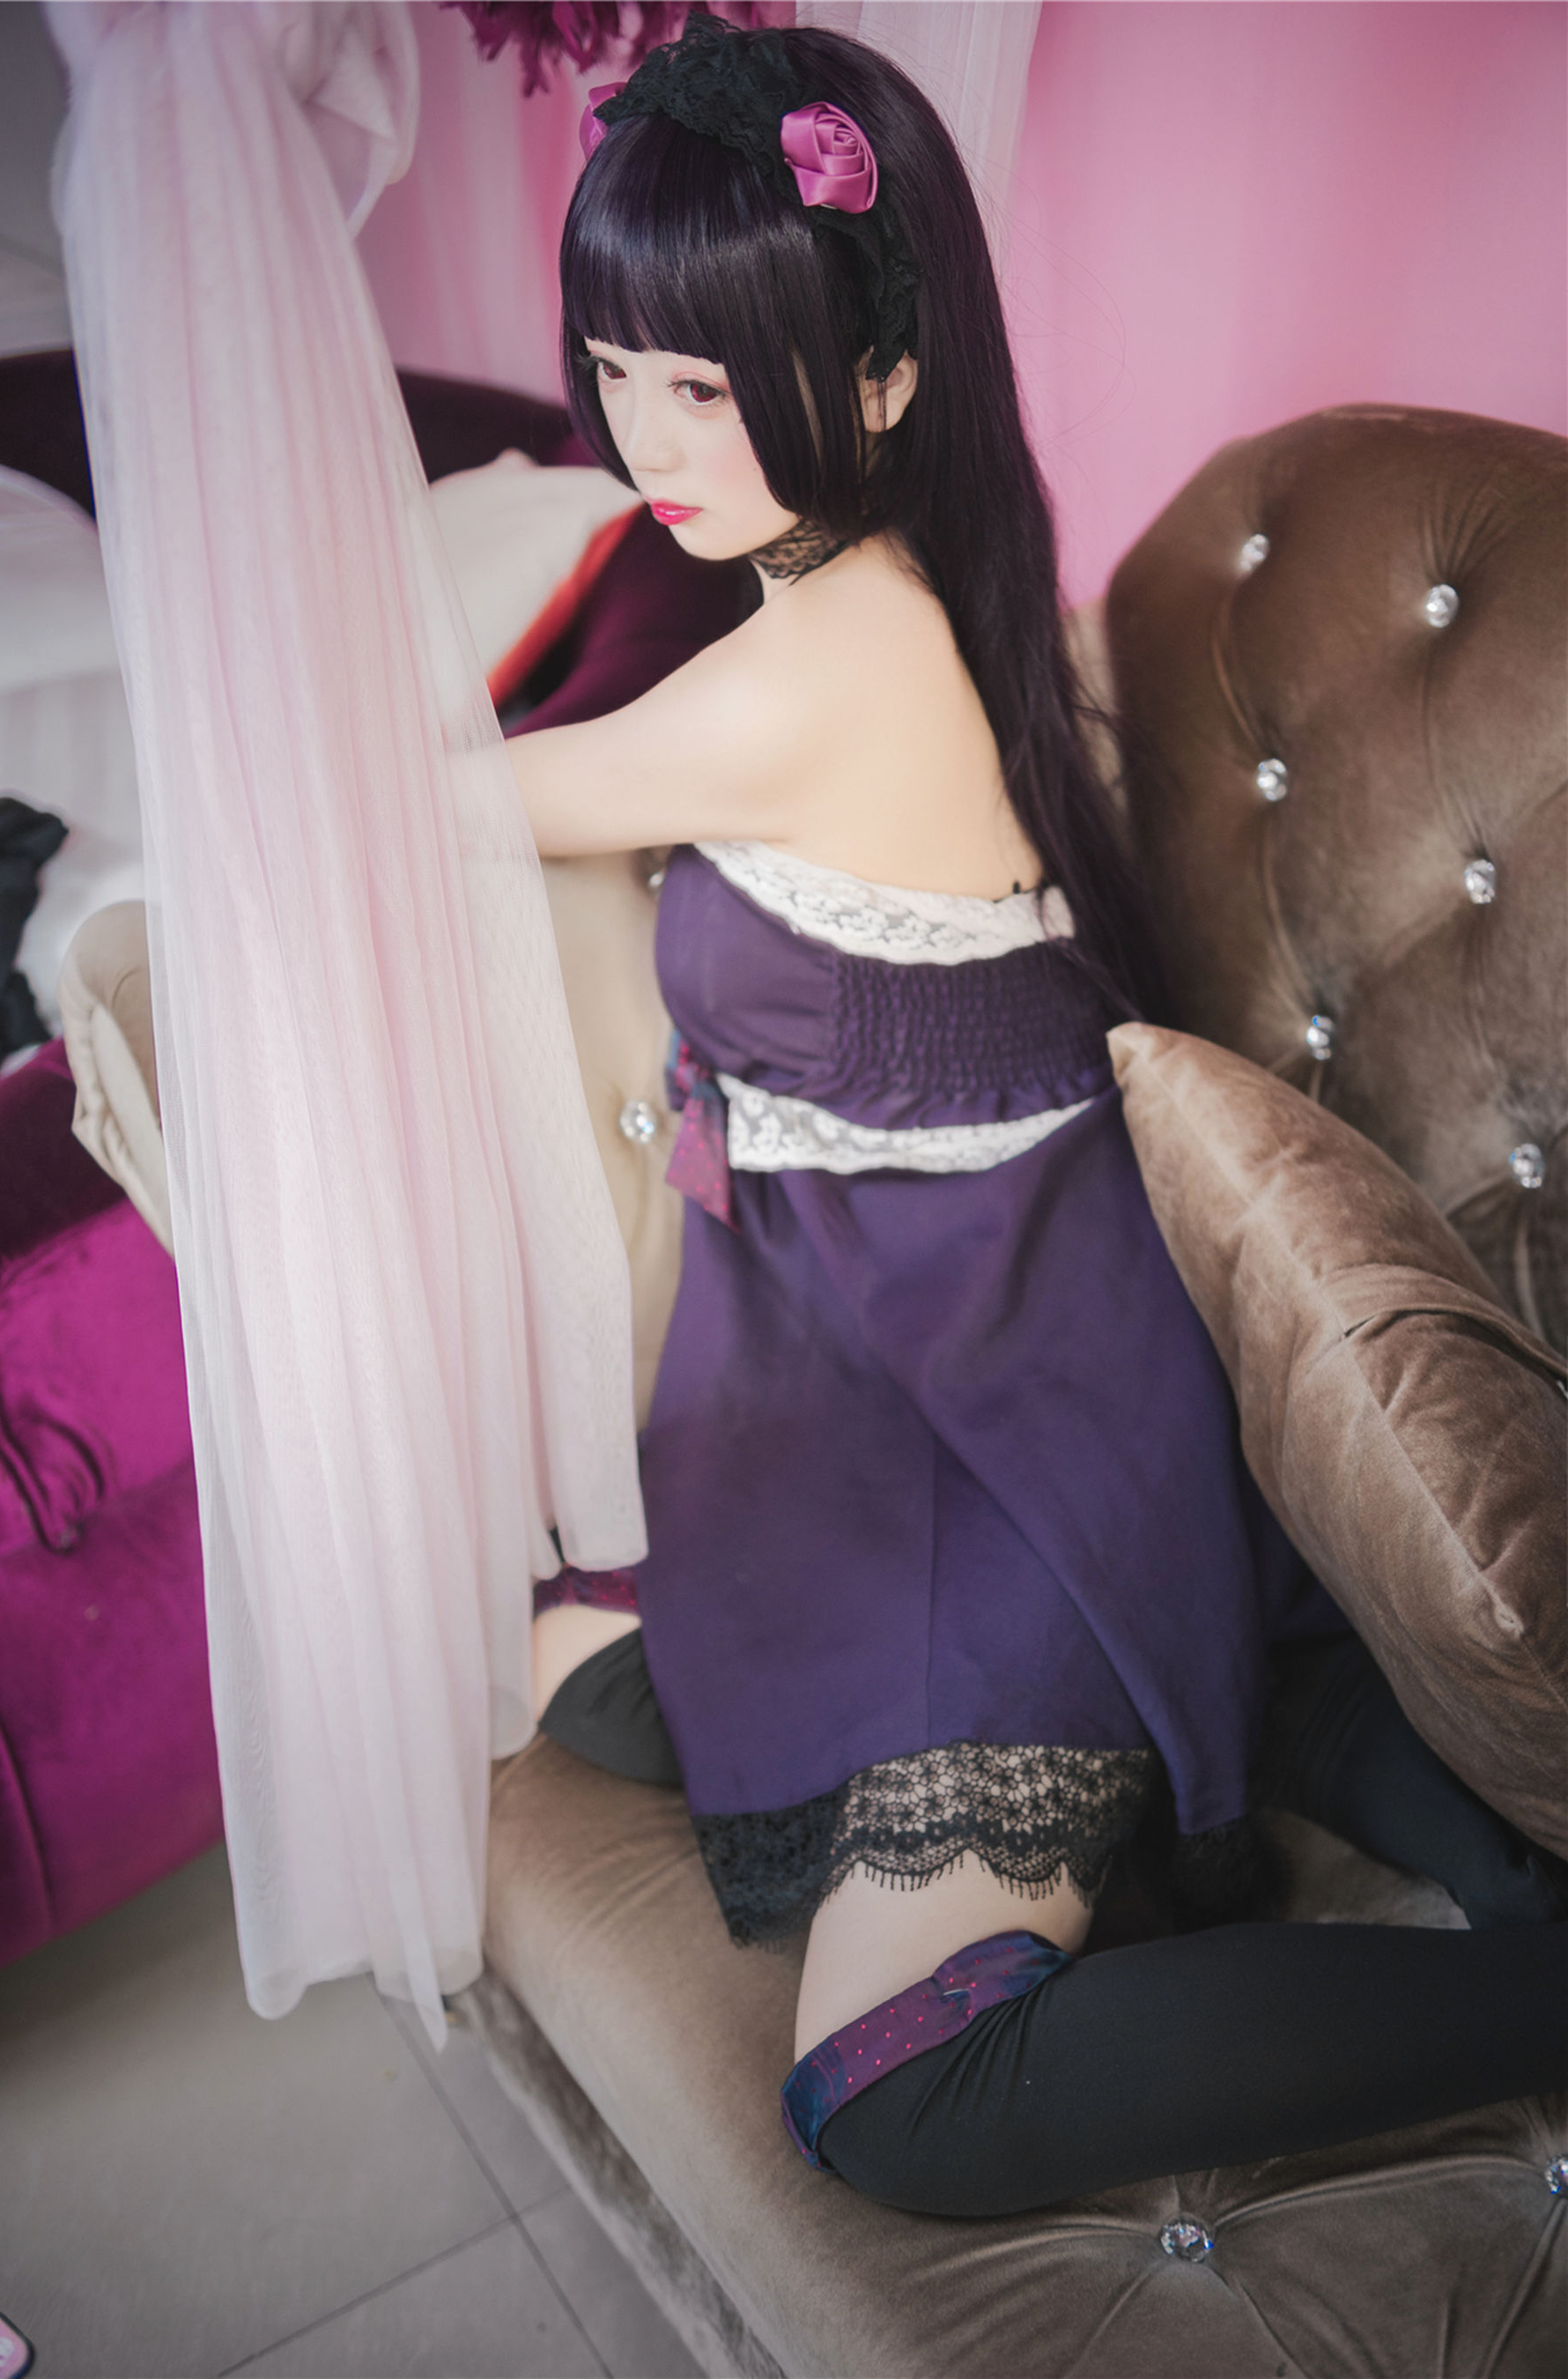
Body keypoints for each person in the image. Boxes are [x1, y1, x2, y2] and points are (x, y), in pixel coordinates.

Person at [507, 16, 1566, 2217]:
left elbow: (436, 800)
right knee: (581, 1681)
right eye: (614, 370)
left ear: (887, 378)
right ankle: (1252, 1696)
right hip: (907, 1388)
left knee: (890, 2099)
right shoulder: (877, 590)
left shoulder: (826, 665)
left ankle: (1526, 1986)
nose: (643, 441)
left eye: (704, 383)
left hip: (1013, 1441)